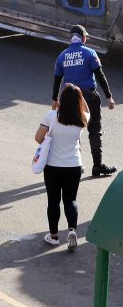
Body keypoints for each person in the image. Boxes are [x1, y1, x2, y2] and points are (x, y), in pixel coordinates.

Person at [51, 24, 117, 177]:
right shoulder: (90, 53)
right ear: (84, 38)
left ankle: (77, 165)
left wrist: (55, 99)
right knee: (94, 130)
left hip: (69, 99)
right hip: (88, 97)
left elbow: (57, 79)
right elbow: (100, 75)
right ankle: (97, 166)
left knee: (74, 131)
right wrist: (109, 96)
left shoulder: (62, 56)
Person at [37, 83, 89, 250]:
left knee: (53, 200)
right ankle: (72, 230)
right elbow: (87, 110)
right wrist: (79, 95)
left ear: (61, 99)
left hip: (53, 165)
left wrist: (55, 107)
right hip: (74, 165)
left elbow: (38, 138)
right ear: (78, 101)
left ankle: (53, 236)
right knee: (71, 199)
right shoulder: (82, 118)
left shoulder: (52, 115)